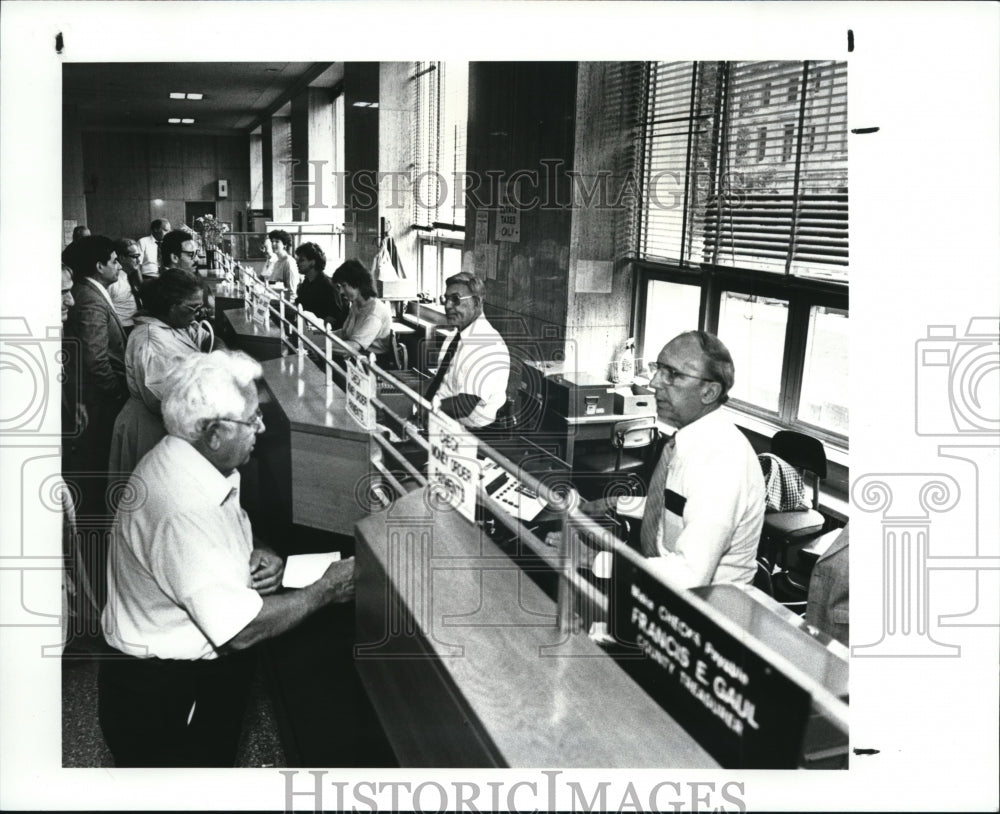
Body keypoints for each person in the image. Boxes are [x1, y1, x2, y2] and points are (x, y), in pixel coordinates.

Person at [98, 350, 356, 767]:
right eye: (252, 419)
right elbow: (241, 631)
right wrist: (325, 588)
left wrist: (257, 550)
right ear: (214, 433)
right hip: (168, 693)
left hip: (172, 676)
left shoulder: (189, 460)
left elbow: (223, 528)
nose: (262, 427)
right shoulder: (184, 508)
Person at [637, 331, 765, 588]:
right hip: (674, 591)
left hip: (711, 611)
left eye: (672, 374)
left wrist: (601, 560)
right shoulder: (688, 442)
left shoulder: (721, 461)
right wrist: (613, 503)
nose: (654, 383)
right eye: (658, 369)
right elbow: (675, 506)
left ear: (709, 392)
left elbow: (689, 573)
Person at [108, 269, 211, 476]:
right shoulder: (150, 341)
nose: (197, 313)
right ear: (171, 306)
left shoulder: (172, 323)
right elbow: (163, 400)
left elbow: (199, 336)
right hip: (150, 428)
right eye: (193, 307)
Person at [61, 235, 128, 506]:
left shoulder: (91, 293)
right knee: (97, 461)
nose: (120, 266)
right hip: (97, 401)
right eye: (114, 261)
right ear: (99, 266)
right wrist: (115, 394)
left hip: (95, 399)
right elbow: (95, 359)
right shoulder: (89, 299)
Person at [425, 271, 510, 430]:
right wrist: (404, 395)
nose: (447, 305)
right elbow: (438, 382)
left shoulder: (488, 345)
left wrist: (422, 411)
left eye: (456, 299)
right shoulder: (453, 338)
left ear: (476, 303)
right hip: (442, 421)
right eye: (446, 299)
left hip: (473, 436)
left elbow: (464, 405)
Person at [329, 259, 393, 357]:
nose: (341, 291)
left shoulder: (374, 313)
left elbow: (353, 347)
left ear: (357, 283)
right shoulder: (356, 304)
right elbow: (344, 333)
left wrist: (323, 346)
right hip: (357, 357)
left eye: (344, 286)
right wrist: (322, 336)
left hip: (374, 364)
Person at [294, 242, 346, 329]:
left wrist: (317, 326)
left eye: (302, 260)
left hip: (321, 335)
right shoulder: (306, 283)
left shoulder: (329, 286)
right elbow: (299, 305)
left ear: (313, 263)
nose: (297, 263)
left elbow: (335, 317)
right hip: (304, 329)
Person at [107, 238, 144, 331]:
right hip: (122, 328)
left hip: (137, 324)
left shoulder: (133, 275)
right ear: (122, 258)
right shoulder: (113, 282)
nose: (139, 261)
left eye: (139, 256)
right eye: (135, 257)